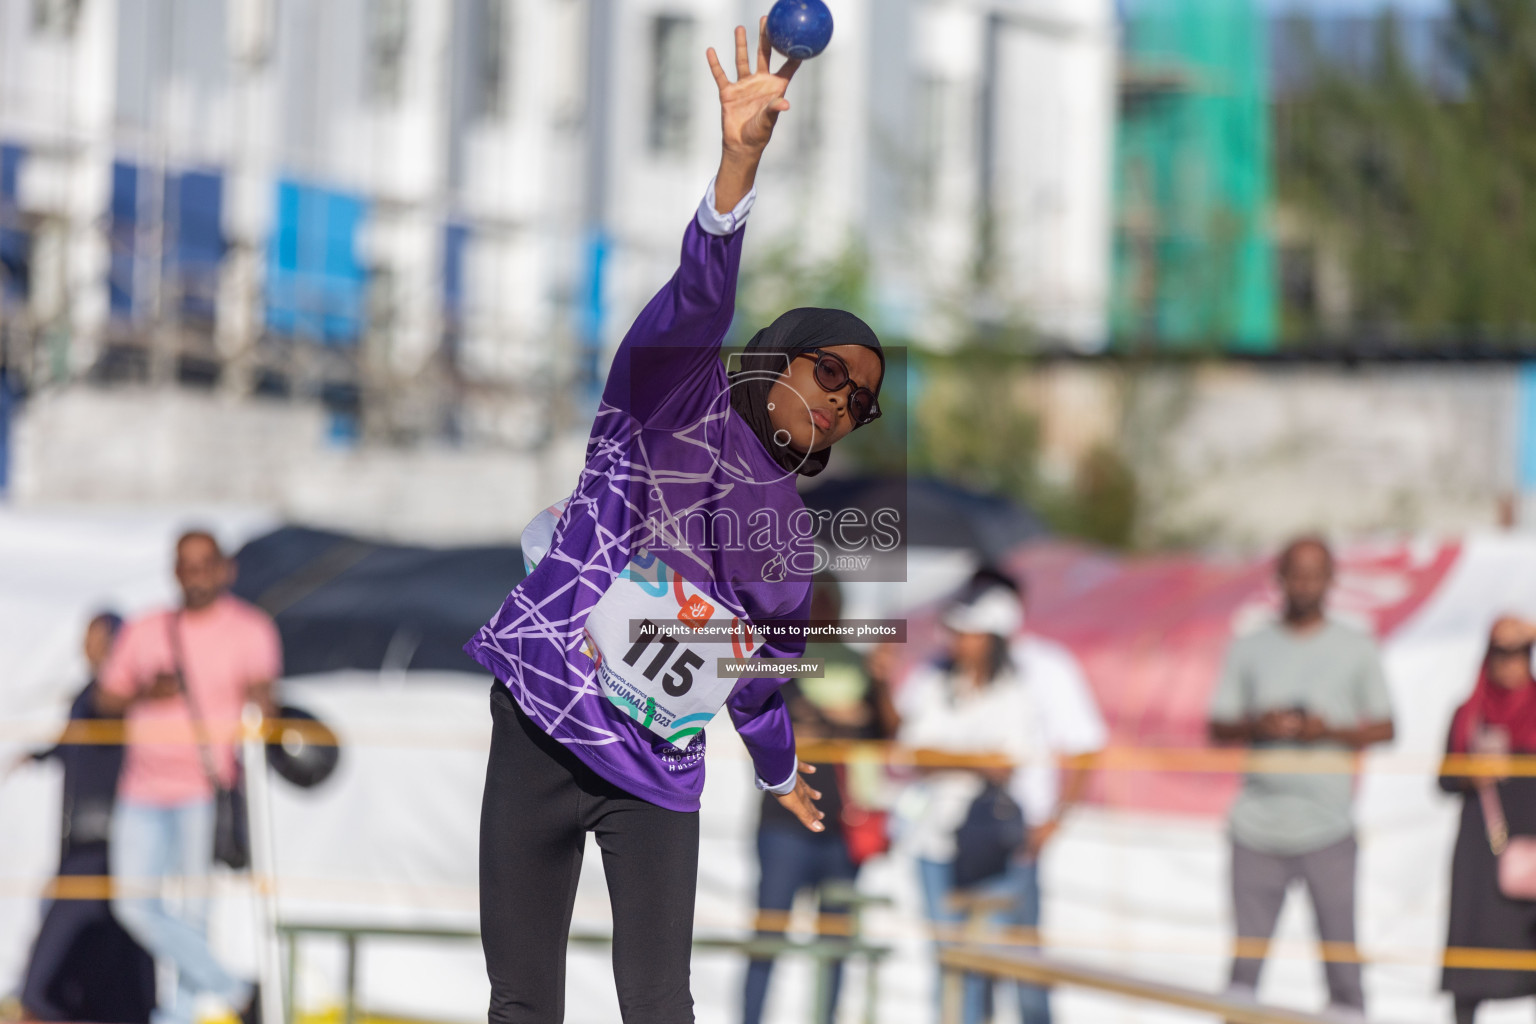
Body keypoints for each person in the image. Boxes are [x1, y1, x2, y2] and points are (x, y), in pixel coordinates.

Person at [464, 21, 887, 1024]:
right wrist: (736, 168)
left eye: (858, 402)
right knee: (522, 1005)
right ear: (779, 353)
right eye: (829, 370)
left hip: (654, 773)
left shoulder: (787, 535)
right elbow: (701, 292)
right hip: (540, 718)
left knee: (661, 1010)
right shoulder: (668, 392)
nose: (838, 402)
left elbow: (760, 676)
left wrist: (782, 769)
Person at [896, 570, 1103, 1024]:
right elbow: (911, 751)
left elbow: (1022, 758)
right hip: (937, 837)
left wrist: (1052, 824)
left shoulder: (1035, 674)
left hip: (1006, 840)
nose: (959, 639)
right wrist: (971, 759)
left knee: (1018, 967)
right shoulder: (933, 676)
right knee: (954, 964)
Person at [97, 531, 281, 1024]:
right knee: (133, 907)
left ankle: (176, 1018)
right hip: (140, 789)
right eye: (187, 564)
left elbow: (268, 703)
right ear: (174, 571)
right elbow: (105, 699)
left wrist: (265, 703)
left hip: (204, 790)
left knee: (195, 917)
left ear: (225, 568)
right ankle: (238, 990)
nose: (196, 574)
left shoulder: (251, 629)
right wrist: (145, 693)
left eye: (205, 564)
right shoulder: (145, 627)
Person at [1208, 535, 1394, 1017]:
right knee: (1244, 974)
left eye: (1316, 574)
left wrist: (1326, 730)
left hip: (1328, 828)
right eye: (1297, 573)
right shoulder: (1249, 645)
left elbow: (1386, 724)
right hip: (1256, 828)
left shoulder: (1355, 645)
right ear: (1280, 579)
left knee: (1342, 971)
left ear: (1331, 581)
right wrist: (1259, 724)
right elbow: (1218, 723)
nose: (1305, 584)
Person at [742, 572, 899, 1024]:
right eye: (815, 603)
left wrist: (884, 681)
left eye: (829, 602)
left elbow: (888, 736)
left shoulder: (863, 669)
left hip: (843, 830)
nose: (823, 612)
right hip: (783, 827)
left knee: (835, 947)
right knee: (767, 938)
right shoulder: (779, 659)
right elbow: (770, 723)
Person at [16, 611, 156, 1024]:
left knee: (75, 947)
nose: (91, 649)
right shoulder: (87, 695)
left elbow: (108, 715)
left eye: (101, 640)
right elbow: (74, 741)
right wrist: (37, 755)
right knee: (87, 945)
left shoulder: (123, 698)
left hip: (112, 839)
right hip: (80, 838)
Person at [1439, 616, 1536, 1024]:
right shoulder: (1469, 713)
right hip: (1483, 853)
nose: (1510, 663)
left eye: (1520, 653)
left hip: (1531, 851)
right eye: (1502, 652)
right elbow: (1442, 780)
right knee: (1471, 962)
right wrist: (1470, 772)